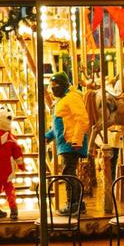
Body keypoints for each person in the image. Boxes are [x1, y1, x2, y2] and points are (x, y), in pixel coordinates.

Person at [49, 72, 89, 216]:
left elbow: (82, 119)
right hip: (66, 142)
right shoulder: (63, 99)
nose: (53, 88)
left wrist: (77, 140)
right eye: (52, 86)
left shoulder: (72, 98)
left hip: (71, 142)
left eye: (56, 85)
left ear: (64, 85)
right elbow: (60, 124)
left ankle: (73, 204)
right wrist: (48, 136)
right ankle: (77, 203)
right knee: (69, 172)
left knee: (68, 173)